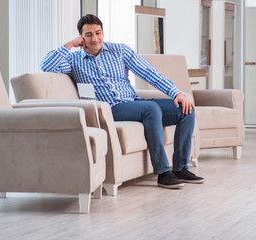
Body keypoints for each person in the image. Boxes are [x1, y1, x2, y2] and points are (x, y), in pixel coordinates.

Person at [41, 14, 204, 189]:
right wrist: (69, 45)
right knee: (151, 108)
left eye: (98, 32)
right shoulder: (73, 60)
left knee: (185, 108)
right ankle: (164, 172)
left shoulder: (119, 50)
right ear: (81, 37)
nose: (95, 38)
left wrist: (176, 93)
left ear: (103, 32)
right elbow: (47, 66)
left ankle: (180, 168)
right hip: (109, 109)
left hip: (133, 103)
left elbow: (149, 73)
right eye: (88, 35)